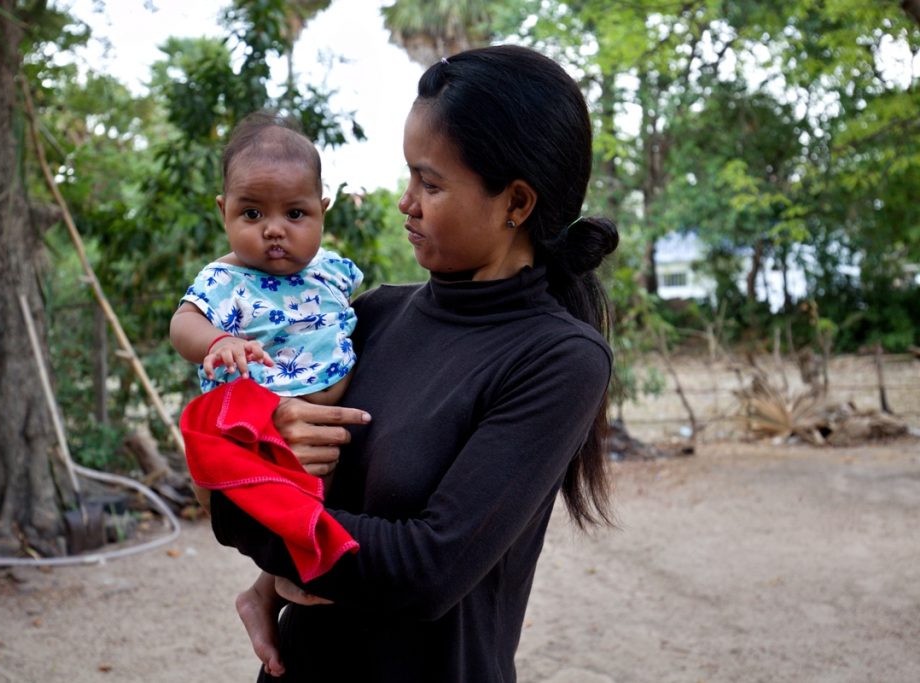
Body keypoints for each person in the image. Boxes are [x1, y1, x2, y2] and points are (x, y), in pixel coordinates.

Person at [211, 44, 618, 682]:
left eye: (429, 183)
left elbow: (426, 572)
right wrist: (265, 492)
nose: (406, 202)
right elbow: (253, 469)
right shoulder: (367, 317)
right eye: (409, 177)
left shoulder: (559, 359)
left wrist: (254, 510)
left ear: (516, 203)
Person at [169, 111, 363, 677]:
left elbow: (359, 314)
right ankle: (281, 578)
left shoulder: (333, 272)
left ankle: (264, 592)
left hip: (321, 429)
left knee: (333, 497)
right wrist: (218, 339)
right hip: (253, 429)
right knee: (283, 503)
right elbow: (183, 325)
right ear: (223, 212)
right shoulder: (226, 279)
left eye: (295, 213)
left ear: (322, 212)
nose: (273, 229)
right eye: (252, 213)